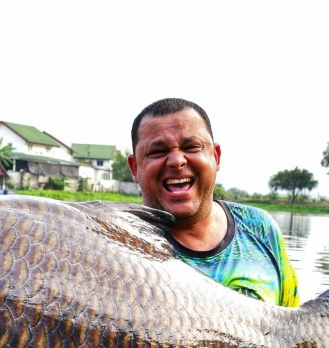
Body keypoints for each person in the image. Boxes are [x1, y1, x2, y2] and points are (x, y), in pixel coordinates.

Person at [127, 98, 299, 306]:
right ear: (134, 167)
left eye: (192, 147)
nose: (177, 161)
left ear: (216, 157)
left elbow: (295, 322)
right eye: (157, 151)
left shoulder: (260, 227)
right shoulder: (118, 248)